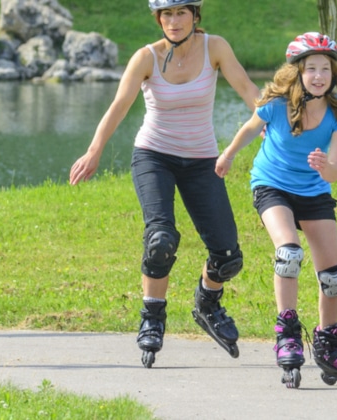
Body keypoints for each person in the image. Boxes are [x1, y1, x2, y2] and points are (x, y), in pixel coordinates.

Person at [68, 0, 262, 368]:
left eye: (180, 13)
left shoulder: (215, 48)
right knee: (161, 239)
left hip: (202, 160)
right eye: (166, 15)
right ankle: (152, 318)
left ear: (195, 16)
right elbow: (119, 106)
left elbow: (250, 92)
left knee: (228, 257)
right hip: (154, 156)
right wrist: (93, 152)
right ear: (158, 19)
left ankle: (207, 304)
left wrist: (277, 121)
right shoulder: (146, 58)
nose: (173, 22)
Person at [215, 32, 337, 389]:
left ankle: (328, 343)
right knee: (289, 253)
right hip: (271, 185)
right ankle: (287, 332)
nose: (318, 76)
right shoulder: (276, 103)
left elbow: (336, 170)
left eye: (325, 69)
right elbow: (250, 129)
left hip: (313, 191)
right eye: (311, 69)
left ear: (334, 74)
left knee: (334, 274)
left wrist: (325, 166)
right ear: (298, 73)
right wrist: (228, 155)